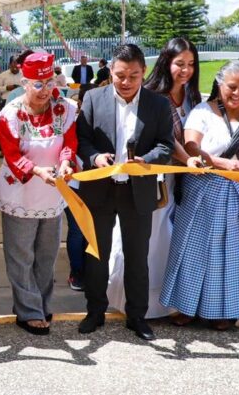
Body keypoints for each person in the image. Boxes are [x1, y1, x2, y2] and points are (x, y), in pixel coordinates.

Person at [75, 43, 175, 341]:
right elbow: (81, 139)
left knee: (136, 256)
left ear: (143, 72)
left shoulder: (158, 105)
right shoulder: (93, 98)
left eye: (133, 75)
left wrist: (148, 160)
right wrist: (94, 158)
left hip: (138, 190)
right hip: (100, 188)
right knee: (97, 254)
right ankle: (95, 312)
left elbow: (166, 145)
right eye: (120, 75)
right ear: (111, 73)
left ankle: (137, 316)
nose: (126, 81)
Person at [161, 60, 239, 330]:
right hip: (203, 189)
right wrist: (222, 164)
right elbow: (190, 146)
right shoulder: (202, 111)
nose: (238, 93)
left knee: (232, 254)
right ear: (219, 85)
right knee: (194, 251)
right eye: (232, 86)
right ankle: (187, 308)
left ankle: (225, 311)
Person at [109, 37, 199, 320]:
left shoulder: (194, 97)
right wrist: (187, 159)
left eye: (191, 65)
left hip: (183, 181)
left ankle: (169, 298)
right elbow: (168, 141)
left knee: (172, 241)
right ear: (165, 63)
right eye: (179, 64)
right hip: (153, 178)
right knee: (147, 240)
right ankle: (135, 302)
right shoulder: (150, 95)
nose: (185, 70)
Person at [0, 52, 75, 336]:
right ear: (24, 83)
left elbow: (70, 142)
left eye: (49, 82)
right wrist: (38, 171)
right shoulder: (11, 114)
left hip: (53, 194)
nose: (45, 90)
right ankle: (28, 311)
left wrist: (65, 161)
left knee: (47, 254)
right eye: (37, 84)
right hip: (21, 193)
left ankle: (42, 304)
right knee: (21, 255)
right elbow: (13, 156)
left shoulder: (65, 108)